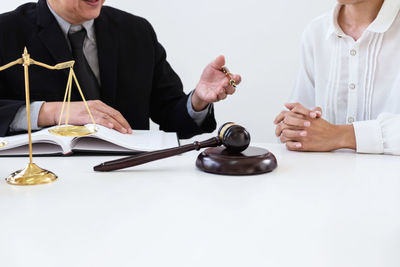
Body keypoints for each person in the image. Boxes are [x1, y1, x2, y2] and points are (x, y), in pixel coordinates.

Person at [0, 0, 241, 139]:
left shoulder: (136, 31)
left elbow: (171, 116)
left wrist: (198, 100)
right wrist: (52, 112)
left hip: (128, 184)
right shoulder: (6, 31)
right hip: (41, 187)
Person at [274, 0, 400, 155]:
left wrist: (340, 135)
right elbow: (301, 119)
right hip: (323, 176)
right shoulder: (316, 32)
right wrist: (294, 126)